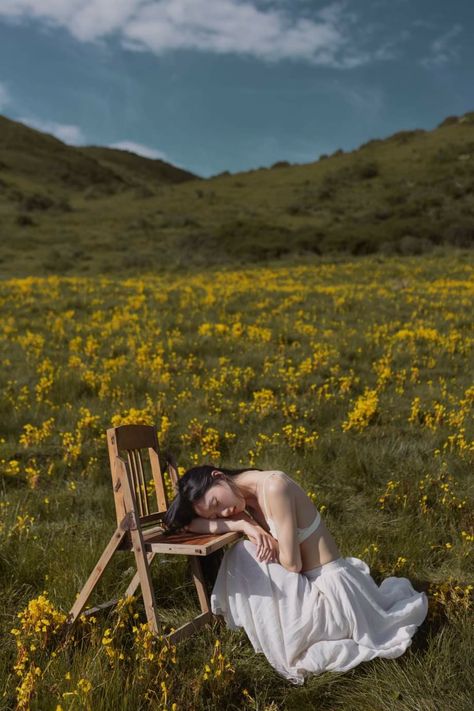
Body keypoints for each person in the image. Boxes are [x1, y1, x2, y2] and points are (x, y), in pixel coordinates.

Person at [162, 464, 429, 685]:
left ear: (218, 476)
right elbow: (187, 524)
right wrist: (242, 523)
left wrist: (255, 535)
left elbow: (292, 565)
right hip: (317, 583)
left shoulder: (274, 487)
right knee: (246, 546)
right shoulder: (243, 500)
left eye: (217, 503)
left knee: (243, 553)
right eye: (216, 513)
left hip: (332, 594)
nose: (224, 512)